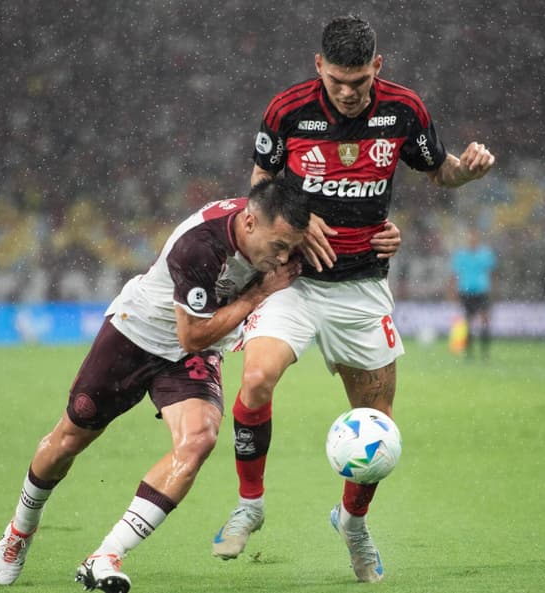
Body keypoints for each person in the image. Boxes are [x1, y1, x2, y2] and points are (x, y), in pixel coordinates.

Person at [211, 14, 495, 583]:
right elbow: (257, 189)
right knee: (257, 378)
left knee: (377, 426)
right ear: (319, 66)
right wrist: (294, 220)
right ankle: (249, 505)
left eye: (359, 81)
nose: (347, 92)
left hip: (363, 286)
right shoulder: (286, 111)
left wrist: (467, 170)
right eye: (338, 80)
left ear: (377, 67)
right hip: (293, 280)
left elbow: (439, 173)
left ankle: (353, 523)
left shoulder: (404, 110)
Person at [0, 177, 310, 592]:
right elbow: (191, 333)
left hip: (193, 354)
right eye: (278, 247)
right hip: (137, 335)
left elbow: (196, 346)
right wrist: (254, 298)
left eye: (291, 247)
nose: (285, 258)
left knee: (198, 439)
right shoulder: (199, 246)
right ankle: (21, 528)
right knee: (68, 440)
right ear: (249, 224)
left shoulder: (278, 227)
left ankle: (105, 555)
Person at [451, 228, 497, 359]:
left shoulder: (485, 254)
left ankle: (485, 352)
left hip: (482, 291)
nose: (472, 241)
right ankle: (469, 353)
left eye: (474, 239)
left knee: (484, 320)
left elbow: (492, 274)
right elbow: (455, 275)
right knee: (468, 323)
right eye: (470, 239)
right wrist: (453, 292)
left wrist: (494, 291)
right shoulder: (461, 256)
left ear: (478, 240)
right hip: (466, 292)